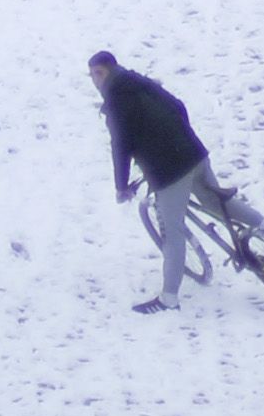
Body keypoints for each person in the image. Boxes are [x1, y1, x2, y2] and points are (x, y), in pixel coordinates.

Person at [89, 46, 209, 310]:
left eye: (96, 74)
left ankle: (169, 299)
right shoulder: (141, 82)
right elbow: (178, 106)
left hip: (169, 172)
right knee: (218, 203)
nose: (95, 81)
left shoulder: (116, 102)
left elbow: (121, 147)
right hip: (195, 154)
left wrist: (122, 187)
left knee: (173, 233)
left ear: (105, 72)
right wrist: (182, 136)